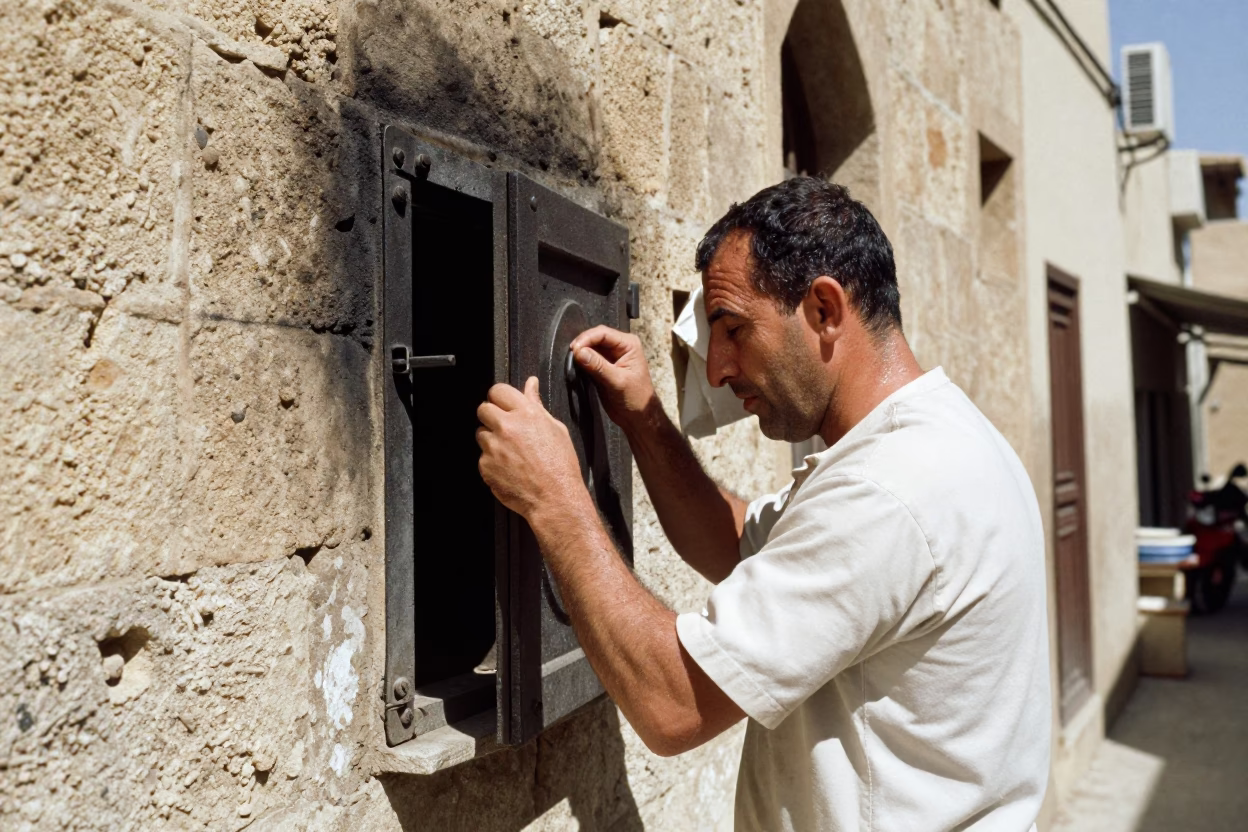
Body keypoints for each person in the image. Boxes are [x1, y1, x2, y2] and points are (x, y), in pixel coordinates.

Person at [475, 177, 1051, 831]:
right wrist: (644, 420)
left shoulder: (888, 490)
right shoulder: (934, 440)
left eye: (733, 328)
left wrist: (554, 497)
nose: (716, 368)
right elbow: (736, 543)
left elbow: (673, 705)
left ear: (825, 309)